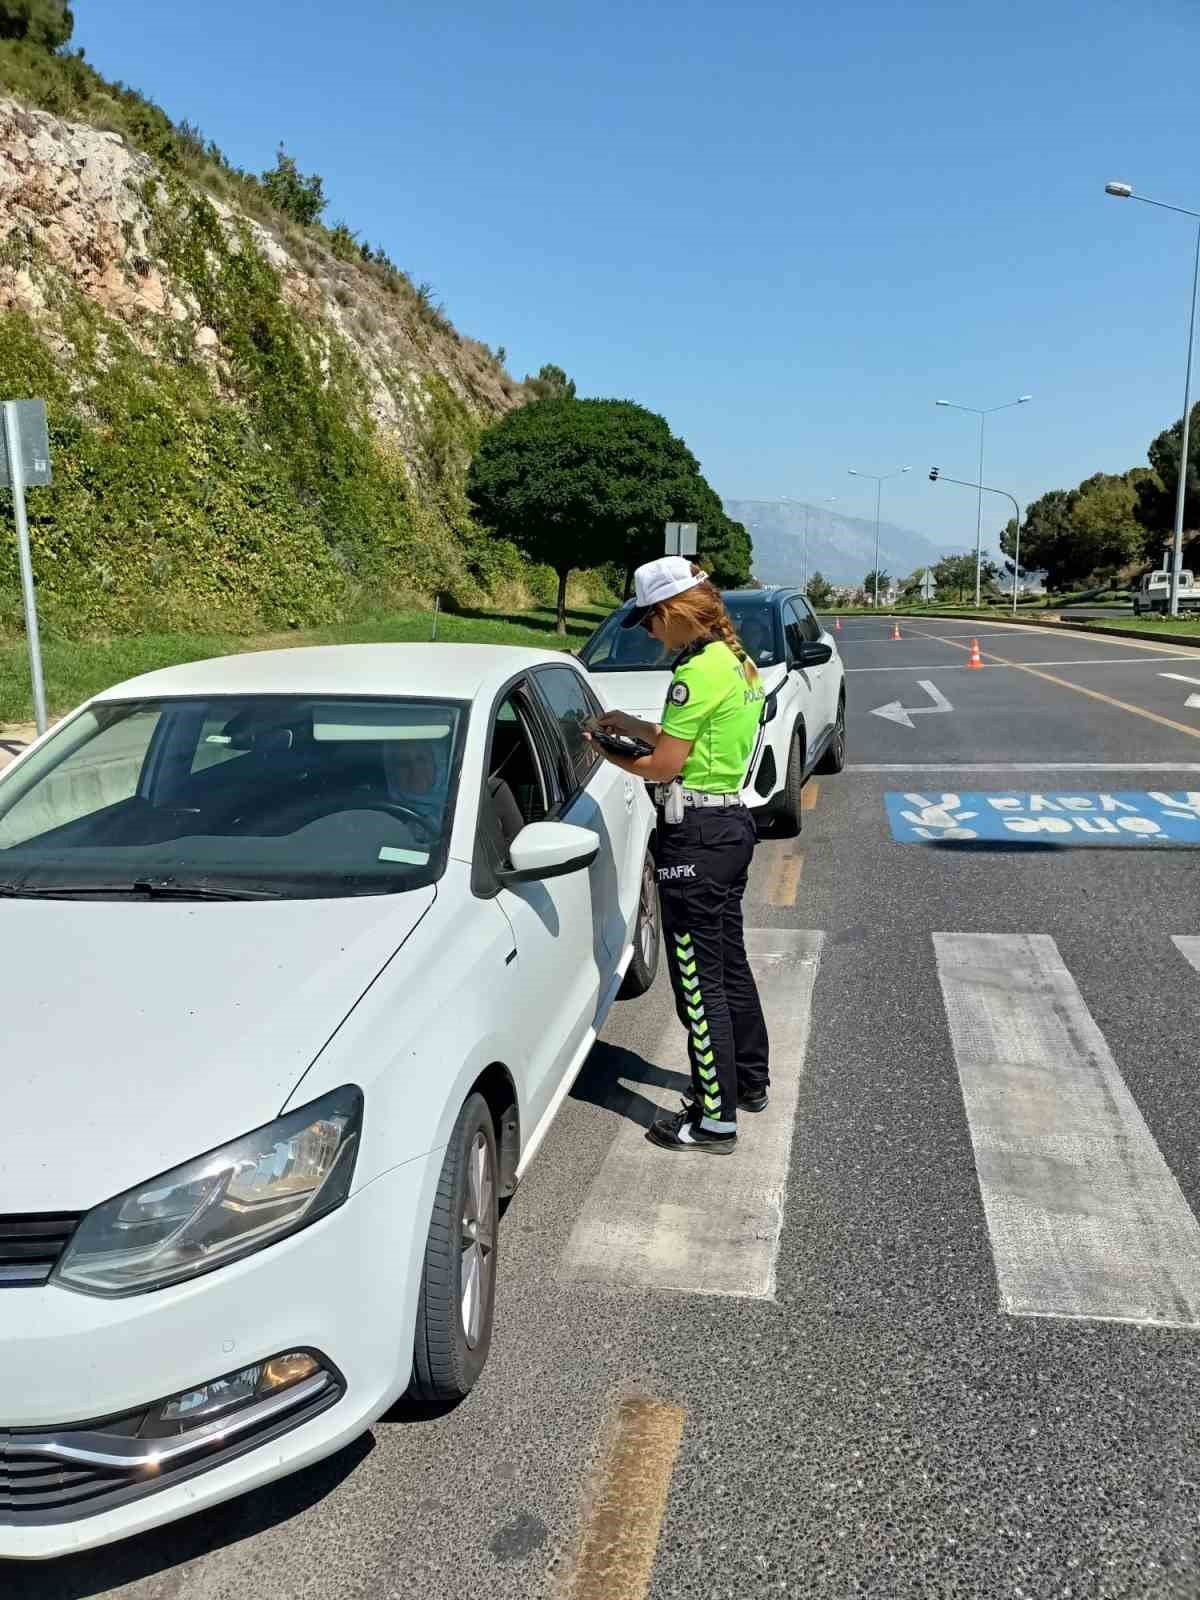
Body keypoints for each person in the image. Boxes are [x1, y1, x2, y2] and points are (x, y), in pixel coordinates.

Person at [587, 556, 769, 1154]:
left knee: (697, 983)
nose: (647, 633)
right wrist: (630, 724)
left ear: (672, 612)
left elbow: (665, 765)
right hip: (728, 825)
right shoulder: (735, 660)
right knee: (730, 964)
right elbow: (689, 742)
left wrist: (605, 748)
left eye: (647, 622)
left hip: (693, 834)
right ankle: (748, 1083)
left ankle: (713, 1122)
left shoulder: (695, 672)